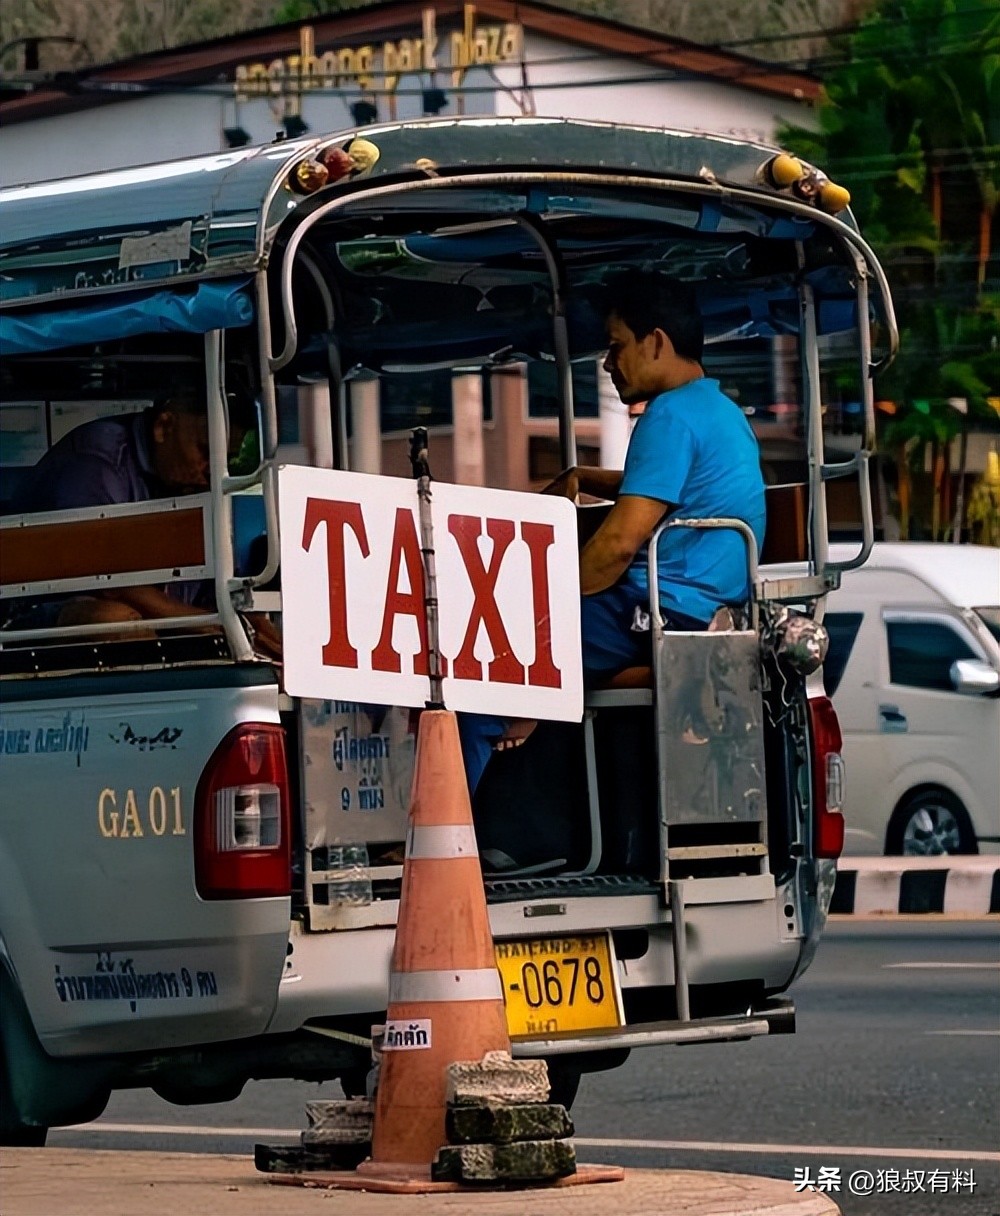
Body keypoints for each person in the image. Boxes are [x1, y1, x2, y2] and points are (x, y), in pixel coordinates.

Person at [459, 269, 766, 793]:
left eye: (615, 345)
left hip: (656, 612)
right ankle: (539, 699)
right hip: (696, 609)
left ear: (656, 342)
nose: (607, 362)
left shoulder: (667, 416)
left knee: (480, 666)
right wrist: (582, 478)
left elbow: (619, 546)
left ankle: (446, 842)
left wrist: (535, 608)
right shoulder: (719, 411)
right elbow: (665, 485)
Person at [14, 391, 280, 655]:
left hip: (164, 622)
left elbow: (212, 589)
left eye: (225, 459)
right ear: (164, 427)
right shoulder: (95, 463)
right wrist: (200, 623)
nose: (212, 470)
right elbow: (102, 576)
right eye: (205, 451)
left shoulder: (192, 481)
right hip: (39, 620)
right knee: (117, 623)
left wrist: (249, 626)